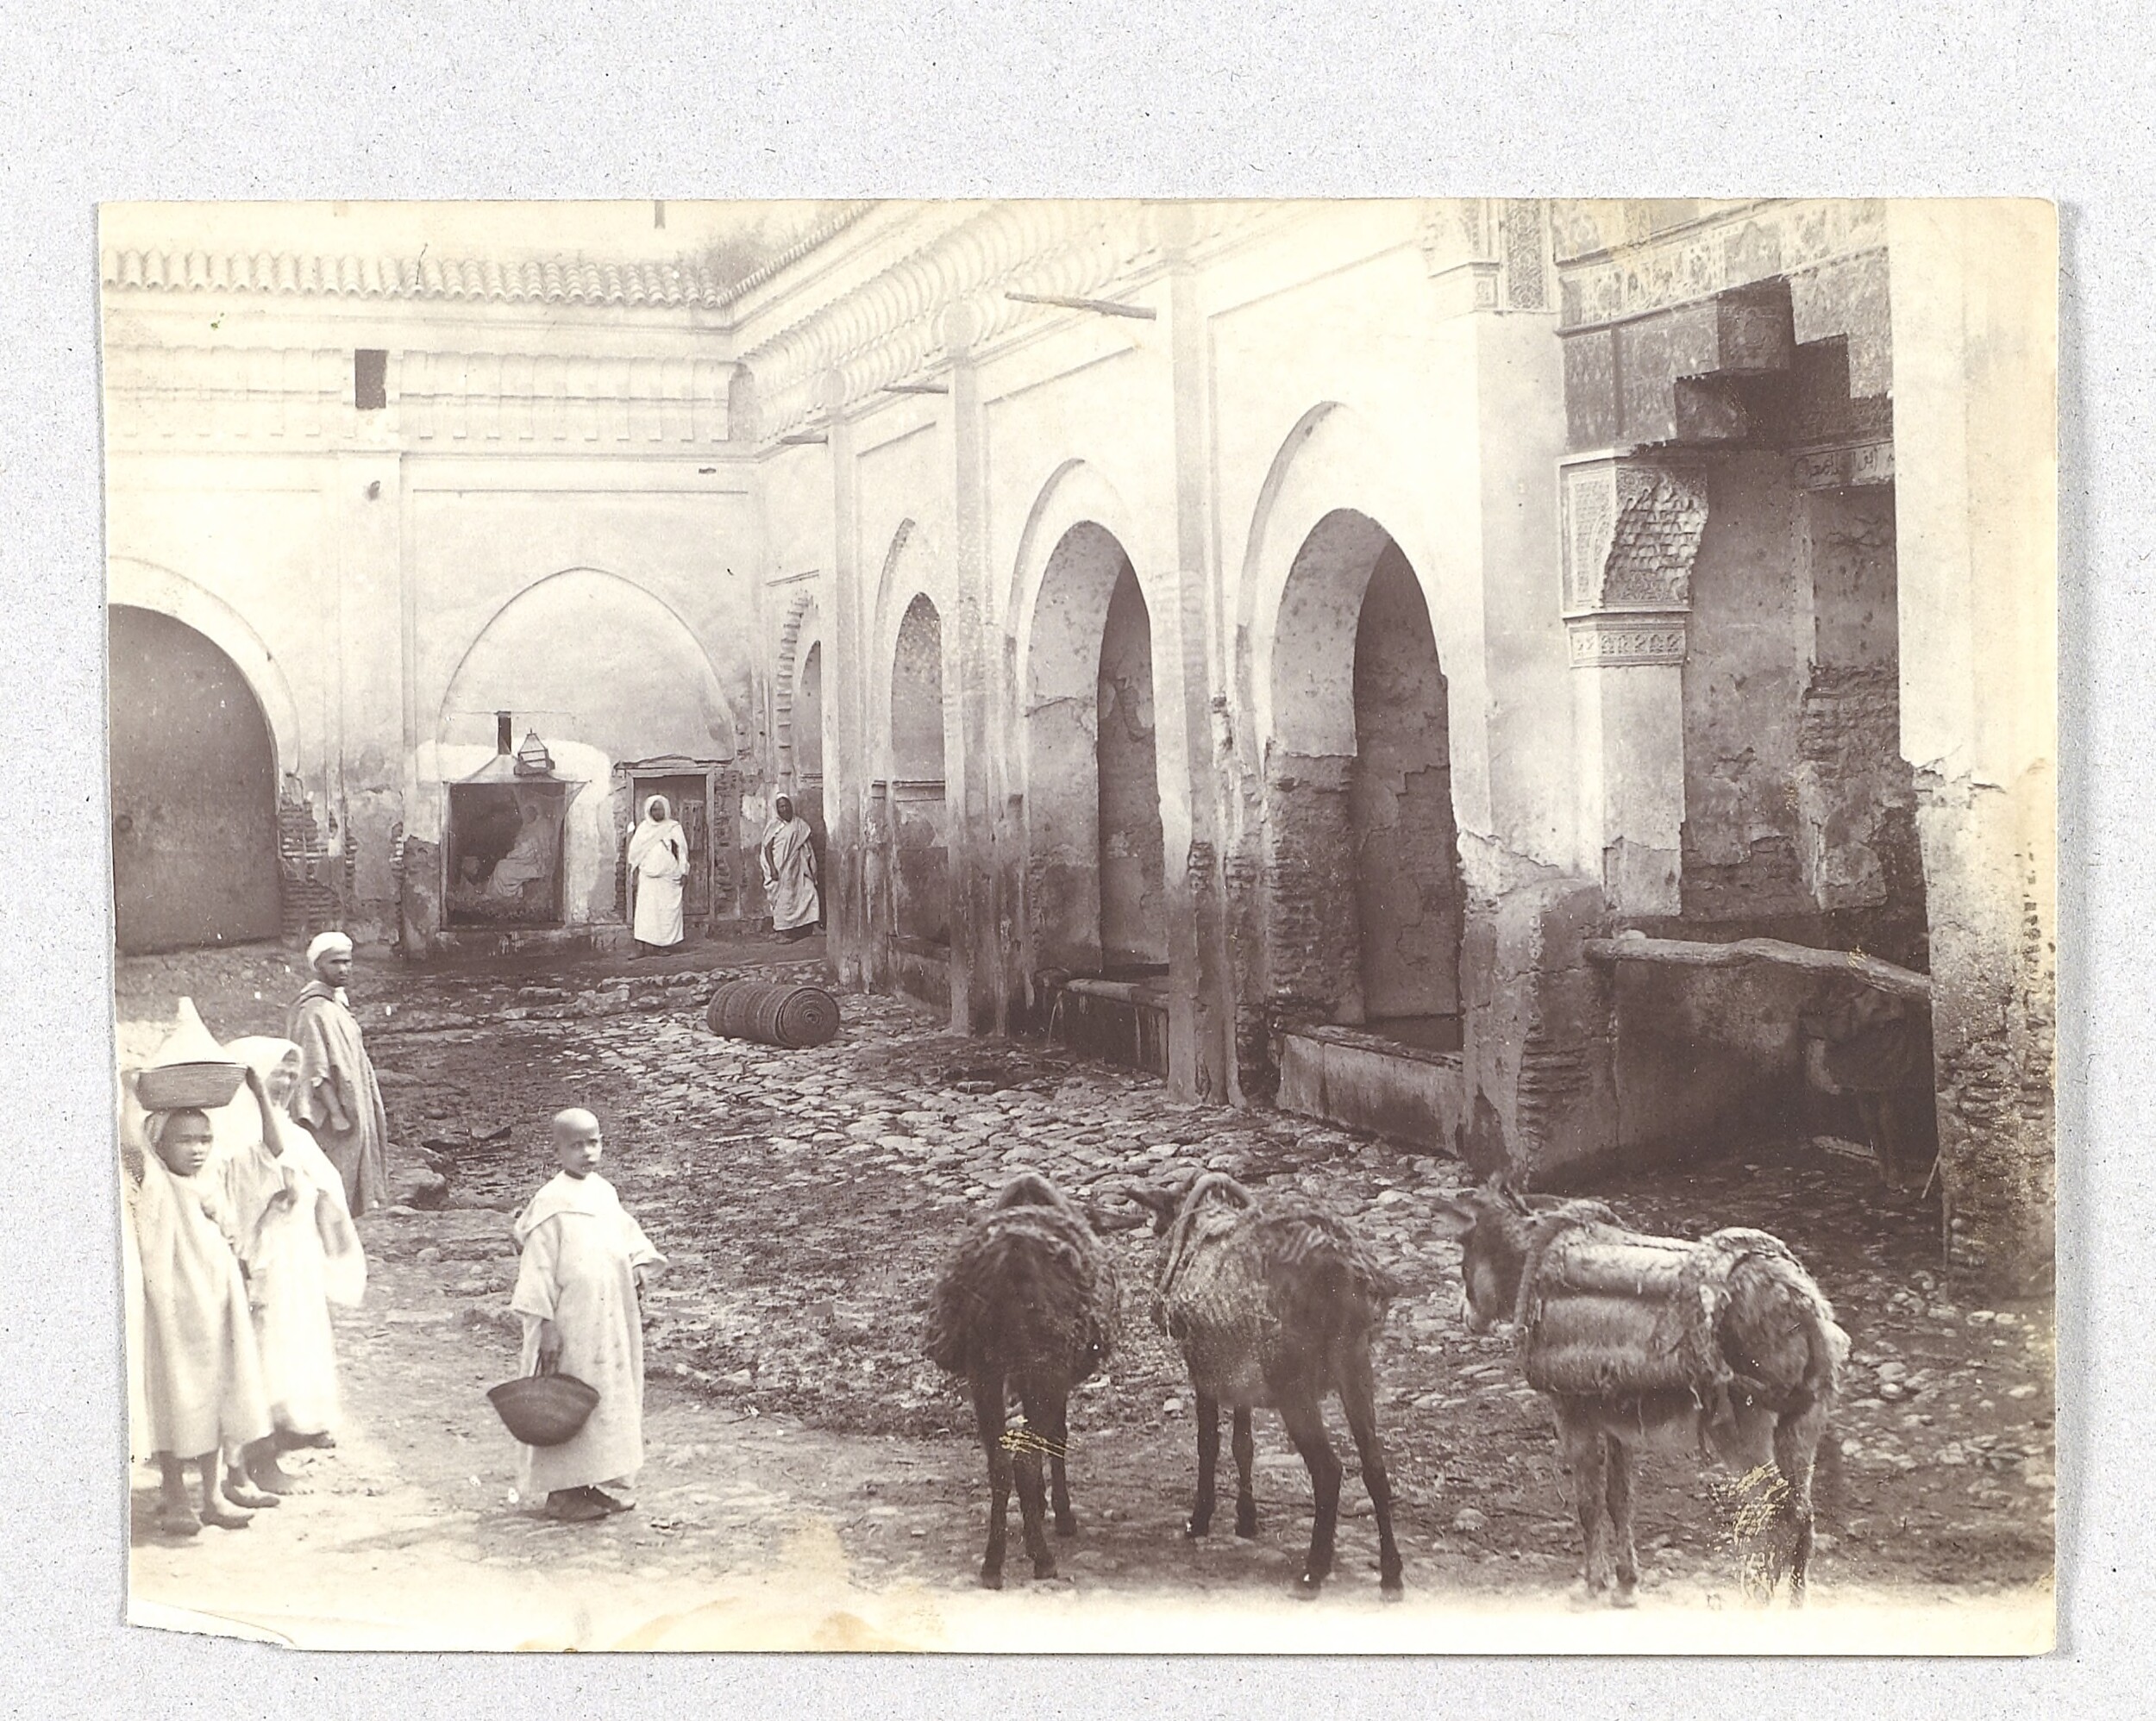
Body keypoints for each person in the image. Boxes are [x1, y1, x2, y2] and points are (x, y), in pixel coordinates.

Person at [209, 1037, 367, 1494]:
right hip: (265, 1255)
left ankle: (295, 1423)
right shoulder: (237, 1140)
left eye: (292, 1074)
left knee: (295, 1342)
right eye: (277, 1072)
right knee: (265, 1351)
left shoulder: (292, 1131)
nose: (287, 1081)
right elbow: (264, 1180)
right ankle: (260, 1457)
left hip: (297, 1255)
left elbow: (318, 1182)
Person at [508, 1109, 665, 1524]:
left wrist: (637, 1262)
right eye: (576, 1145)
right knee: (566, 1398)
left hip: (608, 1316)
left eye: (593, 1142)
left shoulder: (603, 1193)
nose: (587, 1152)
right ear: (558, 1150)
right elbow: (538, 1269)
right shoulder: (550, 1202)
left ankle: (590, 1481)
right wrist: (546, 1324)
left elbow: (626, 1235)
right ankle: (562, 1493)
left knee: (604, 1394)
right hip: (569, 1321)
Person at [135, 1105, 274, 1535]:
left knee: (215, 1393)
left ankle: (213, 1495)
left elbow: (233, 1232)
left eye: (204, 1139)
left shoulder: (212, 1181)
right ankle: (175, 1494)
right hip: (171, 1307)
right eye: (184, 1140)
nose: (196, 1149)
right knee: (173, 1393)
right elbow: (130, 1146)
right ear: (159, 1145)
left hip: (215, 1301)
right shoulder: (157, 1182)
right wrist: (128, 1094)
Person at [285, 931, 391, 1217]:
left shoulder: (334, 1003)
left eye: (347, 961)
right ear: (318, 965)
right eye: (335, 963)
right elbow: (315, 1069)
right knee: (333, 1175)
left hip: (353, 1099)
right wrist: (336, 1113)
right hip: (333, 1111)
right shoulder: (312, 1011)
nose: (343, 969)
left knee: (352, 1171)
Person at [627, 794, 690, 956]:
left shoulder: (673, 827)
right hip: (648, 876)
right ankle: (640, 947)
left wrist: (684, 871)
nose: (657, 812)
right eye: (654, 809)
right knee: (645, 912)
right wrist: (633, 870)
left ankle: (662, 946)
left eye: (660, 809)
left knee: (665, 912)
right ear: (649, 811)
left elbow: (682, 851)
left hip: (668, 876)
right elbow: (634, 852)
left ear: (666, 810)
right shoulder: (643, 828)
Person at [760, 793, 821, 942]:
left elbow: (805, 845)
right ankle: (783, 931)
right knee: (784, 900)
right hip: (781, 870)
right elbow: (767, 849)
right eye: (781, 806)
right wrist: (772, 869)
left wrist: (808, 863)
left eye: (787, 805)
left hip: (798, 868)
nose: (785, 809)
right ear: (777, 809)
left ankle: (814, 926)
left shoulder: (800, 824)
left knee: (810, 892)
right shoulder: (773, 826)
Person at [486, 800, 558, 904]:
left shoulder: (542, 827)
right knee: (502, 865)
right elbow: (518, 846)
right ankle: (499, 893)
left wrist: (518, 853)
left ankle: (504, 893)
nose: (528, 815)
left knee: (502, 867)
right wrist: (518, 849)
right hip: (521, 860)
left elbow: (537, 849)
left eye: (530, 812)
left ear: (536, 812)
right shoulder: (525, 828)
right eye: (527, 812)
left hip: (534, 865)